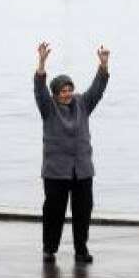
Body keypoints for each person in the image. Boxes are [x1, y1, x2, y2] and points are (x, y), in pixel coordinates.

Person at [34, 42, 110, 264]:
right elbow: (39, 90)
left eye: (69, 90)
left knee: (83, 212)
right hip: (56, 172)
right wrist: (41, 64)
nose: (67, 94)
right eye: (62, 91)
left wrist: (103, 65)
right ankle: (49, 248)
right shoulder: (48, 108)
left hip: (82, 171)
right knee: (54, 212)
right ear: (55, 94)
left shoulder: (82, 103)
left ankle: (81, 249)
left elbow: (97, 89)